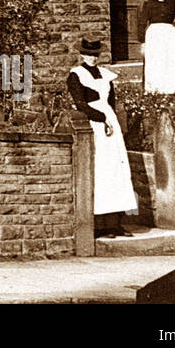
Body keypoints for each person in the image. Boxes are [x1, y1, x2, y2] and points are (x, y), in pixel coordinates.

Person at [67, 38, 138, 237]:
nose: (92, 58)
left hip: (110, 124)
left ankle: (115, 222)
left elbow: (111, 102)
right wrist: (101, 118)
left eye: (95, 55)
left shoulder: (106, 75)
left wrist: (111, 121)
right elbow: (80, 103)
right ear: (81, 55)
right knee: (101, 169)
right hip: (93, 124)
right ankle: (100, 225)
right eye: (88, 54)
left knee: (116, 169)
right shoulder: (76, 75)